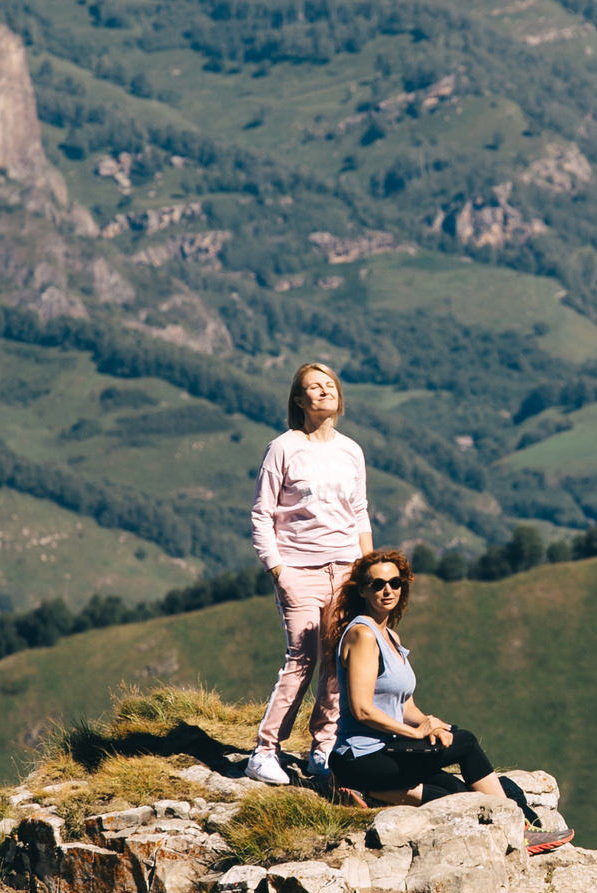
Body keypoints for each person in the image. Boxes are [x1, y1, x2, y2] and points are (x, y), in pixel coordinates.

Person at [326, 548, 574, 851]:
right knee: (466, 743)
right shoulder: (363, 635)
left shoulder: (390, 637)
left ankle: (372, 795)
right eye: (377, 584)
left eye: (395, 582)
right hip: (361, 757)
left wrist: (434, 724)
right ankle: (521, 829)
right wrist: (416, 733)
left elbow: (405, 706)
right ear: (363, 590)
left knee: (455, 790)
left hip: (388, 751)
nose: (387, 589)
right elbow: (362, 710)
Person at [242, 363, 370, 787]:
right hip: (299, 568)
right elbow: (261, 514)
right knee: (302, 658)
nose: (323, 392)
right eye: (313, 387)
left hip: (348, 569)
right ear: (300, 400)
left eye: (329, 385)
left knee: (338, 662)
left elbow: (360, 513)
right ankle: (264, 752)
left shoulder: (351, 450)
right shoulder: (283, 448)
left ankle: (323, 749)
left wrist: (367, 571)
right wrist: (278, 571)